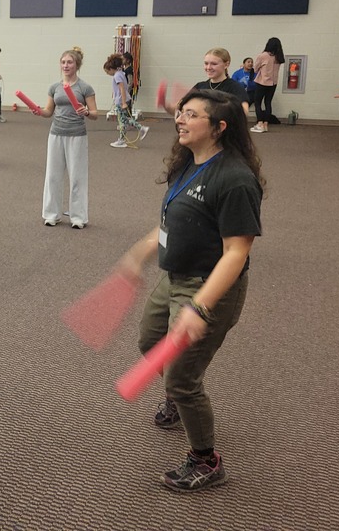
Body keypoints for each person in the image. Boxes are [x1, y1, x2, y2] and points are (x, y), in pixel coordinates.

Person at [114, 88, 263, 492]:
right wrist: (143, 251)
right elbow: (174, 219)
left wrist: (199, 307)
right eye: (181, 112)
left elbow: (236, 252)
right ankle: (178, 400)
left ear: (218, 127)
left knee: (182, 378)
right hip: (174, 277)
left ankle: (206, 460)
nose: (180, 119)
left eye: (191, 115)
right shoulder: (188, 163)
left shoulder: (235, 179)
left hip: (207, 287)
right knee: (149, 341)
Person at [38, 47, 97, 228]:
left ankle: (78, 217)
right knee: (53, 175)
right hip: (56, 134)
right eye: (63, 62)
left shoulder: (84, 87)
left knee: (77, 177)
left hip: (77, 136)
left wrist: (86, 111)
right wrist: (39, 111)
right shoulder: (54, 87)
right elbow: (49, 111)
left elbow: (95, 114)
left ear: (76, 65)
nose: (66, 65)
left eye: (69, 62)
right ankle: (51, 214)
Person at [104, 53, 149, 148]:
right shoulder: (121, 73)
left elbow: (122, 89)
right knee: (122, 121)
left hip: (121, 101)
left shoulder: (117, 76)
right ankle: (122, 139)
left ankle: (141, 128)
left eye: (108, 72)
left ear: (111, 69)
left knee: (124, 120)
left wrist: (123, 103)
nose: (108, 74)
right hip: (122, 100)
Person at [190, 48, 249, 114]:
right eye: (206, 63)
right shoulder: (199, 86)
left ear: (226, 65)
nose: (208, 67)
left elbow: (244, 112)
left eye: (214, 64)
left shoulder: (235, 87)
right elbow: (182, 105)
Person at [251, 39, 286, 133]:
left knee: (257, 102)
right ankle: (266, 124)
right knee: (268, 102)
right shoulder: (279, 57)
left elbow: (255, 69)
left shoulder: (263, 56)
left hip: (262, 82)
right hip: (273, 83)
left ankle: (260, 124)